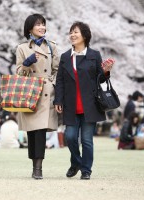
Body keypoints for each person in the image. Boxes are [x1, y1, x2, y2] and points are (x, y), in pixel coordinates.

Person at [54, 21, 114, 180]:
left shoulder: (94, 55)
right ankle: (76, 163)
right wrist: (58, 100)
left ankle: (86, 170)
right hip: (70, 105)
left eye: (76, 32)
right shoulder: (65, 57)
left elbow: (100, 80)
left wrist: (106, 72)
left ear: (85, 36)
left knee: (87, 140)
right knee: (71, 137)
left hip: (90, 105)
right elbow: (59, 80)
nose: (72, 35)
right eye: (71, 32)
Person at [15, 14, 60, 179]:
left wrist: (53, 85)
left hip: (46, 92)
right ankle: (34, 163)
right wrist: (27, 63)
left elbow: (57, 71)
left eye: (43, 24)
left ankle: (38, 168)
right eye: (38, 25)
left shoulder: (52, 47)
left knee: (40, 130)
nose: (42, 27)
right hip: (29, 91)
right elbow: (19, 73)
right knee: (32, 132)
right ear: (30, 29)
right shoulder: (22, 48)